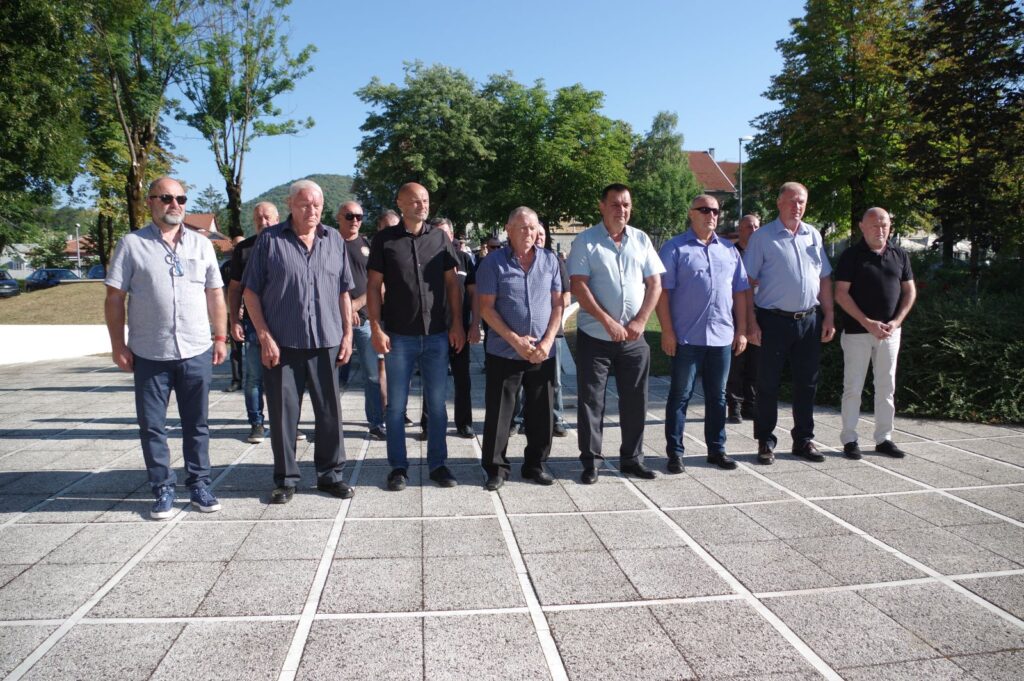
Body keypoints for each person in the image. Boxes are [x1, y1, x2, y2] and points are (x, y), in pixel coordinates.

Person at [104, 176, 227, 519]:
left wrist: (220, 337)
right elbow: (114, 297)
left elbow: (215, 294)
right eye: (166, 198)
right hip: (149, 352)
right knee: (152, 426)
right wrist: (118, 345)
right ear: (150, 202)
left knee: (197, 424)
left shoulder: (201, 245)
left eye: (181, 199)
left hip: (195, 349)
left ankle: (199, 484)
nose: (175, 205)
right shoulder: (132, 244)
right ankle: (162, 487)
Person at [242, 180, 355, 504]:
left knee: (330, 413)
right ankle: (286, 479)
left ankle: (330, 475)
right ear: (290, 204)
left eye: (317, 205)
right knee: (283, 415)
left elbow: (343, 291)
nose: (312, 210)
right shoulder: (270, 240)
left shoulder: (333, 239)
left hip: (326, 341)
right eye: (305, 204)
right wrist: (264, 335)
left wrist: (347, 333)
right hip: (283, 344)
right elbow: (251, 292)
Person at [367, 182, 465, 491]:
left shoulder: (439, 238)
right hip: (399, 336)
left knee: (437, 406)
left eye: (425, 200)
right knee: (396, 407)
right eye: (415, 200)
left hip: (436, 335)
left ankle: (438, 464)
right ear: (400, 203)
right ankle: (398, 467)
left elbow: (452, 285)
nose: (422, 205)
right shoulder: (384, 240)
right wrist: (375, 327)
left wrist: (457, 323)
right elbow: (373, 287)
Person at [568, 183, 665, 484]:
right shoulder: (585, 241)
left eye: (626, 205)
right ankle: (591, 461)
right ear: (602, 206)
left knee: (636, 400)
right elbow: (579, 285)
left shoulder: (641, 239)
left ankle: (632, 459)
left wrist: (641, 320)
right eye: (615, 204)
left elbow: (655, 284)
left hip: (634, 339)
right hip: (595, 337)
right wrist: (608, 322)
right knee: (591, 401)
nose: (621, 210)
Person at [656, 195, 750, 473]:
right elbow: (662, 293)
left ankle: (717, 450)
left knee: (718, 397)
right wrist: (667, 331)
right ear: (692, 213)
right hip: (686, 338)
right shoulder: (674, 248)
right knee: (680, 396)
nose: (712, 215)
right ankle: (675, 453)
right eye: (705, 210)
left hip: (721, 337)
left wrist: (742, 330)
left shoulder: (729, 251)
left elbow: (740, 292)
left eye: (716, 211)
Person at [744, 182, 835, 465]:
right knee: (767, 383)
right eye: (793, 201)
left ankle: (804, 440)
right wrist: (750, 322)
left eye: (802, 201)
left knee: (807, 383)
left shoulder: (813, 235)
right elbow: (746, 282)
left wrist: (829, 316)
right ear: (779, 203)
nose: (798, 206)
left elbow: (824, 278)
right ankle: (765, 441)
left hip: (809, 320)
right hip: (772, 320)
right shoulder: (763, 238)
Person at [476, 207, 564, 490]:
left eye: (533, 227)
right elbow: (486, 308)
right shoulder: (492, 263)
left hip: (542, 351)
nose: (529, 233)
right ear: (509, 229)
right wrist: (515, 340)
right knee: (500, 413)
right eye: (523, 227)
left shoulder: (549, 260)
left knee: (541, 413)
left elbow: (558, 304)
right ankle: (496, 468)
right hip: (504, 350)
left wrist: (547, 341)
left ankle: (535, 464)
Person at [835, 207, 916, 459]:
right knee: (853, 387)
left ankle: (884, 439)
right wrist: (867, 322)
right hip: (857, 333)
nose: (880, 230)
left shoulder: (899, 254)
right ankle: (850, 439)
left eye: (884, 225)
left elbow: (909, 291)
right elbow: (841, 294)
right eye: (874, 225)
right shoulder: (851, 256)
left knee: (886, 387)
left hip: (890, 333)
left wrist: (896, 322)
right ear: (862, 226)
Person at [418, 217, 476, 439]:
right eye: (437, 233)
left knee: (463, 380)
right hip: (434, 330)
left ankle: (464, 423)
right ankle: (428, 424)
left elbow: (474, 294)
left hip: (460, 328)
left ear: (452, 236)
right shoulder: (425, 260)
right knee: (432, 380)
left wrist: (475, 324)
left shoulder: (464, 260)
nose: (441, 238)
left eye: (445, 233)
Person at [510, 222, 570, 437]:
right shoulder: (519, 260)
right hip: (524, 333)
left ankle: (556, 418)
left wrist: (548, 309)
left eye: (542, 234)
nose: (539, 238)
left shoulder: (553, 261)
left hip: (551, 332)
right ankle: (518, 419)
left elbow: (565, 296)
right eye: (537, 234)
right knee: (520, 380)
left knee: (553, 380)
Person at [228, 201, 279, 444]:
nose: (263, 222)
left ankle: (287, 423)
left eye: (267, 217)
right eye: (258, 218)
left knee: (286, 379)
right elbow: (234, 288)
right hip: (253, 324)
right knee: (254, 377)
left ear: (277, 219)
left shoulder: (289, 243)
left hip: (285, 324)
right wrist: (233, 320)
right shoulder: (244, 249)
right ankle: (256, 423)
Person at [337, 200, 386, 440]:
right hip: (334, 321)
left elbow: (380, 285)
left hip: (365, 320)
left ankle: (376, 422)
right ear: (339, 218)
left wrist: (356, 305)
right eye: (349, 216)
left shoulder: (368, 246)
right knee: (331, 376)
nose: (355, 220)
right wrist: (347, 309)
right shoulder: (328, 243)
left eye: (359, 216)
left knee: (372, 375)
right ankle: (330, 424)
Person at [726, 214, 761, 424]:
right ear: (740, 229)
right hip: (735, 313)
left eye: (756, 226)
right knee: (736, 362)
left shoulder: (764, 252)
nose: (753, 231)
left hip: (760, 313)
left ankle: (751, 404)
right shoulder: (731, 253)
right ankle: (734, 406)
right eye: (749, 227)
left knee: (755, 363)